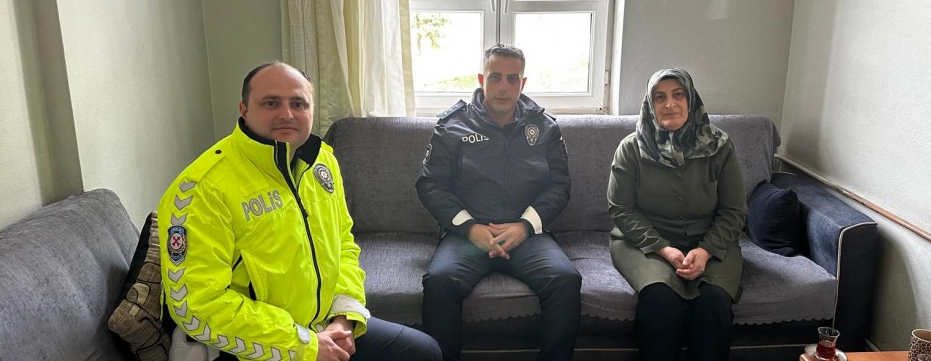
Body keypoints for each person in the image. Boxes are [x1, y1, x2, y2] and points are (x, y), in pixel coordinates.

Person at [157, 62, 441, 361]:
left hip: (323, 326)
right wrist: (304, 346)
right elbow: (197, 306)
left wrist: (344, 318)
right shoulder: (201, 188)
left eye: (298, 104)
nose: (287, 114)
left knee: (423, 352)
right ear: (244, 110)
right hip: (254, 346)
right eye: (271, 103)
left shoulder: (322, 163)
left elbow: (343, 245)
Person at [416, 44, 581, 361]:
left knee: (565, 280)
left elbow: (559, 185)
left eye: (512, 78)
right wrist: (470, 228)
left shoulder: (544, 127)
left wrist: (525, 226)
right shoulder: (453, 125)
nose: (503, 86)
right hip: (467, 236)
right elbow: (430, 184)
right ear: (482, 79)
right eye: (495, 77)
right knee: (440, 282)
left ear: (522, 83)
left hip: (527, 235)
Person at [607, 68, 747, 361]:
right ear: (650, 104)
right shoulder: (631, 148)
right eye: (660, 97)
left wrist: (705, 251)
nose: (669, 104)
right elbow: (621, 209)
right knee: (661, 300)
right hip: (645, 244)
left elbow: (734, 211)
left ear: (691, 99)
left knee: (713, 303)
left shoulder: (720, 147)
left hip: (712, 243)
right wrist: (665, 250)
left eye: (678, 94)